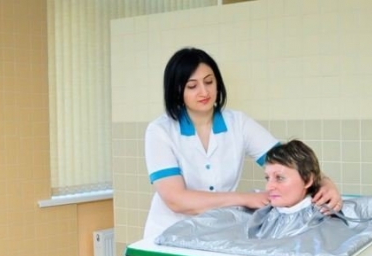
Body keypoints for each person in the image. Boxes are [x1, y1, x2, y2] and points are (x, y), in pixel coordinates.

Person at [143, 47, 342, 241]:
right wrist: (245, 198)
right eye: (192, 86)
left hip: (217, 234)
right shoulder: (160, 131)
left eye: (209, 82)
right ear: (177, 90)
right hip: (168, 235)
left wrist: (324, 182)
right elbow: (176, 200)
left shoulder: (238, 123)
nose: (204, 91)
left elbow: (289, 162)